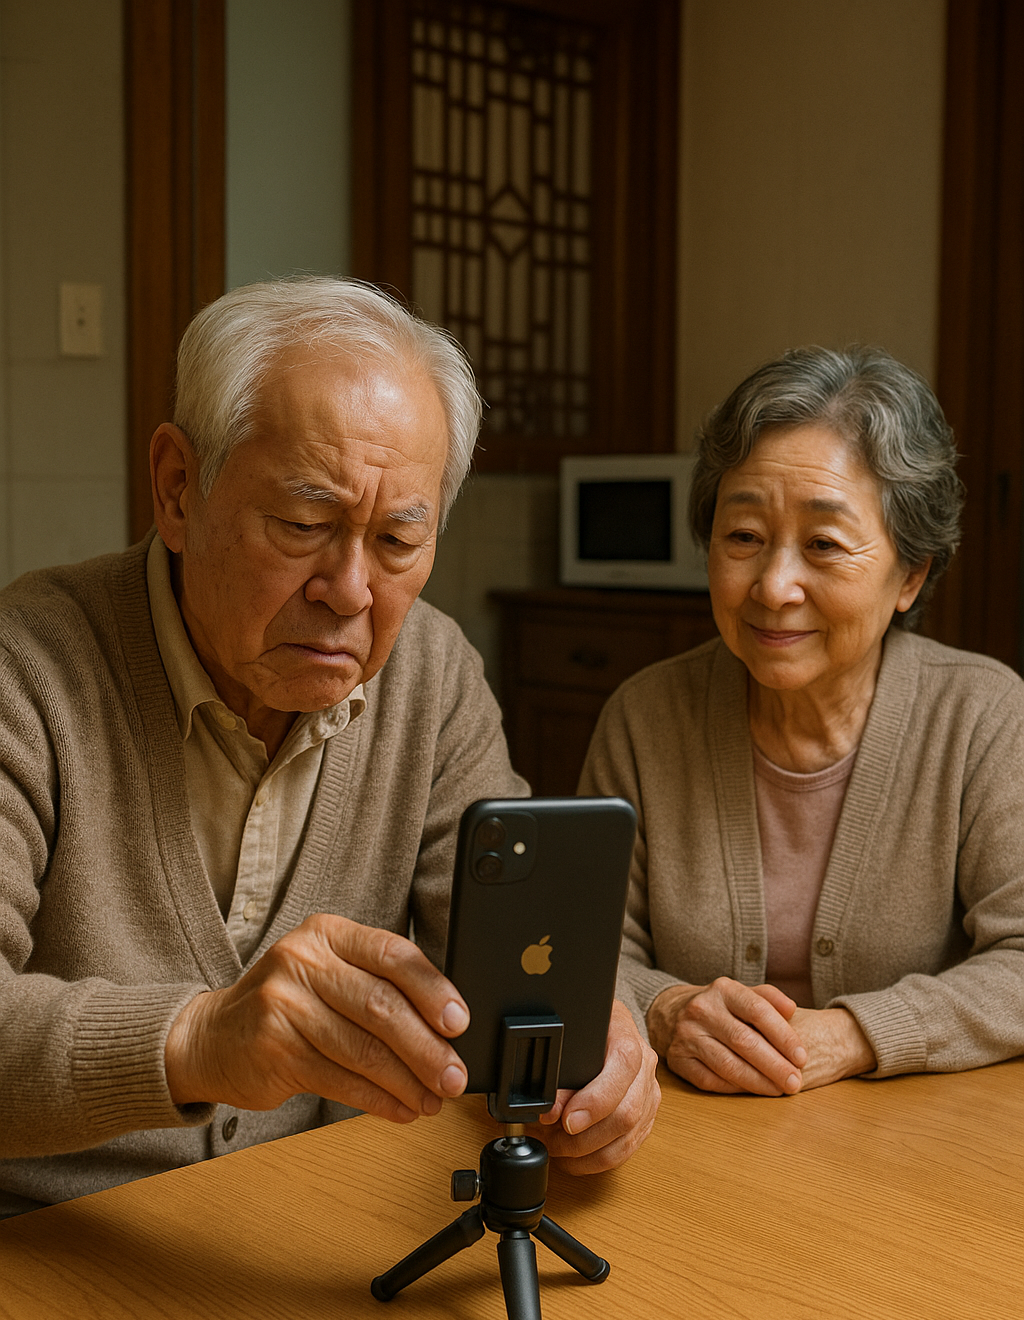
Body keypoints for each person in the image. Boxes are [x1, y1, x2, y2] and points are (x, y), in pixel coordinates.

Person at [0, 277, 658, 1216]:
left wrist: (607, 1036)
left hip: (310, 1224)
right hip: (49, 1240)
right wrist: (199, 1040)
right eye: (304, 525)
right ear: (178, 488)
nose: (350, 590)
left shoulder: (431, 674)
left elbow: (521, 947)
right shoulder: (25, 670)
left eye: (397, 540)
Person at [582, 346, 1024, 1095]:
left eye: (823, 545)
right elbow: (580, 951)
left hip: (911, 1141)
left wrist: (856, 1035)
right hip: (689, 1129)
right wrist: (665, 1008)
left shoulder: (982, 717)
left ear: (910, 575)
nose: (774, 586)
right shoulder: (645, 716)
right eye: (744, 537)